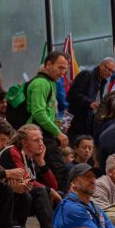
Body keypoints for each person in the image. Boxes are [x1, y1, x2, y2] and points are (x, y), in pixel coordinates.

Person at [0, 124, 59, 228]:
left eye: (41, 139)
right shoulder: (13, 151)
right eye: (36, 140)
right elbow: (26, 179)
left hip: (22, 197)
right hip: (5, 197)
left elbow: (54, 185)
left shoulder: (32, 158)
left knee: (54, 193)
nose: (41, 143)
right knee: (39, 192)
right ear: (25, 143)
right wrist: (49, 190)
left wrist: (41, 161)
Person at [26, 51, 70, 191]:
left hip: (45, 133)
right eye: (60, 67)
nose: (63, 73)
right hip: (38, 133)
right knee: (60, 171)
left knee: (49, 173)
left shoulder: (51, 83)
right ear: (49, 64)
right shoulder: (41, 83)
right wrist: (58, 133)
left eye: (65, 69)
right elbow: (38, 112)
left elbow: (49, 111)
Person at [66, 58, 115, 140]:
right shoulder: (85, 75)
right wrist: (90, 103)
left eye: (112, 72)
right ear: (101, 65)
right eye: (109, 69)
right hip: (75, 120)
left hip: (89, 123)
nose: (110, 73)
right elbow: (72, 94)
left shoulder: (102, 81)